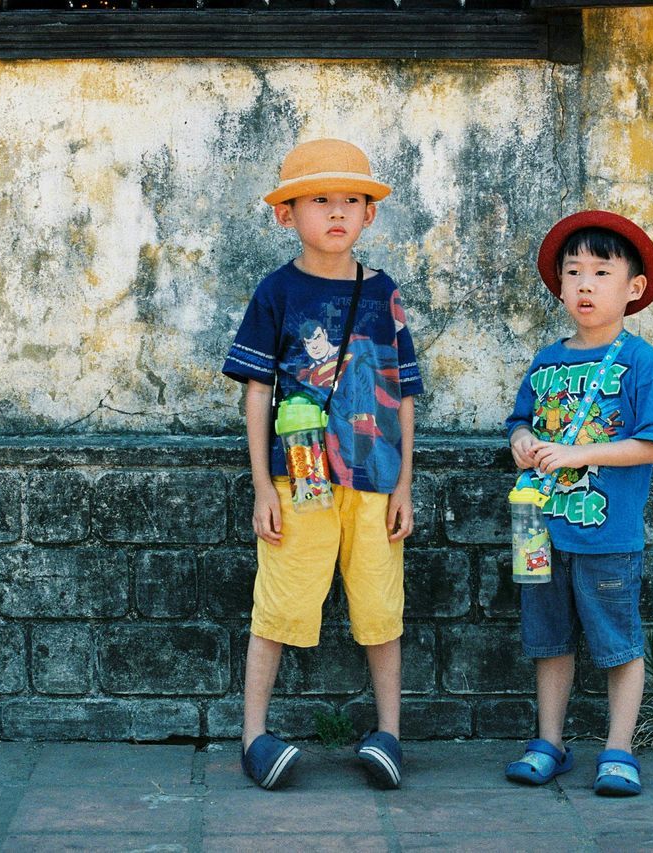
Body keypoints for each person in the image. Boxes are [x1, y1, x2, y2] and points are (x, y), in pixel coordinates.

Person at [221, 138, 422, 790]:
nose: (337, 213)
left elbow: (404, 393)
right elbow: (257, 392)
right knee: (279, 600)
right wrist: (261, 485)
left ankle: (388, 732)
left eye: (351, 202)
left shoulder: (385, 293)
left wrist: (403, 486)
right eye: (319, 201)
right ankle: (254, 735)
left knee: (378, 602)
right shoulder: (276, 292)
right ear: (287, 215)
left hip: (372, 476)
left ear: (369, 214)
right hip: (298, 477)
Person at [504, 210, 653, 797]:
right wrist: (522, 441)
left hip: (608, 536)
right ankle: (549, 740)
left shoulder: (639, 361)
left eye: (601, 272)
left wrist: (579, 456)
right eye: (572, 271)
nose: (583, 283)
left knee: (618, 645)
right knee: (549, 643)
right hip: (541, 533)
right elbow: (521, 421)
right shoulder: (548, 360)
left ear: (633, 289)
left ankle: (619, 749)